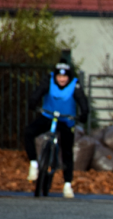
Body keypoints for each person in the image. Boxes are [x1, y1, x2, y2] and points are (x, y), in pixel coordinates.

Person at [25, 59, 89, 199]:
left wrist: (84, 113)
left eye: (65, 76)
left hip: (66, 120)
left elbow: (82, 100)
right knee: (28, 132)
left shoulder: (75, 85)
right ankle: (34, 164)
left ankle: (67, 184)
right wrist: (33, 101)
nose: (62, 79)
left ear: (69, 77)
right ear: (55, 76)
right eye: (59, 76)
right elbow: (39, 92)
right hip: (48, 116)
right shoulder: (49, 80)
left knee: (67, 152)